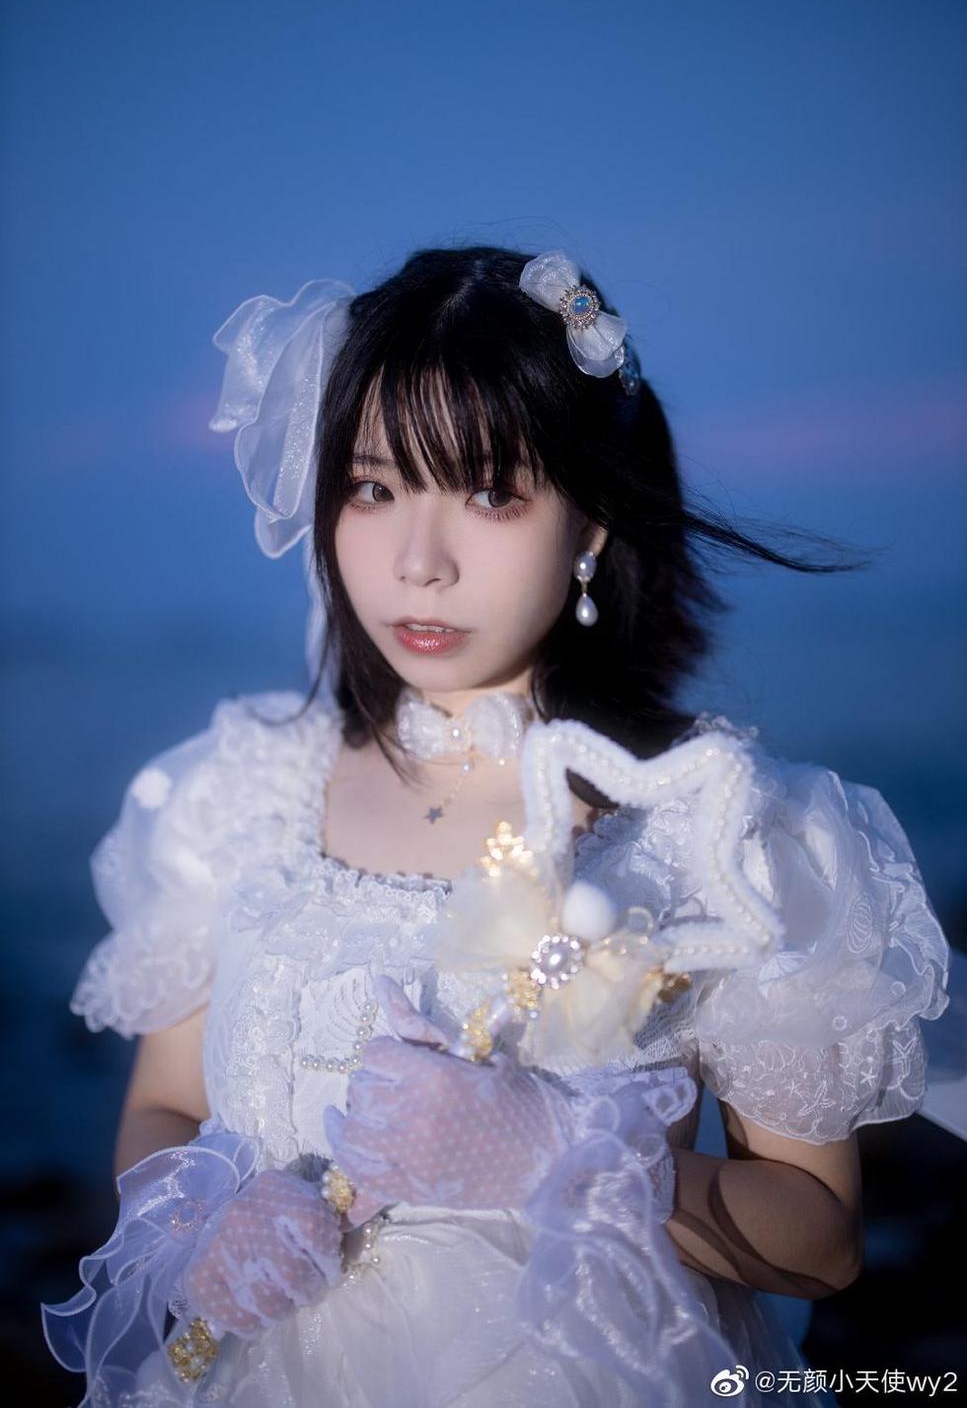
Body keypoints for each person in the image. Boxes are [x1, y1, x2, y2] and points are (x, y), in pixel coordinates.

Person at [42, 246, 951, 1407]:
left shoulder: (712, 824)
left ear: (591, 521)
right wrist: (201, 1225)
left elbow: (819, 1242)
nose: (417, 563)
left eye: (488, 493)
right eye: (372, 488)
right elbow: (162, 1107)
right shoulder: (239, 791)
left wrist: (557, 1153)